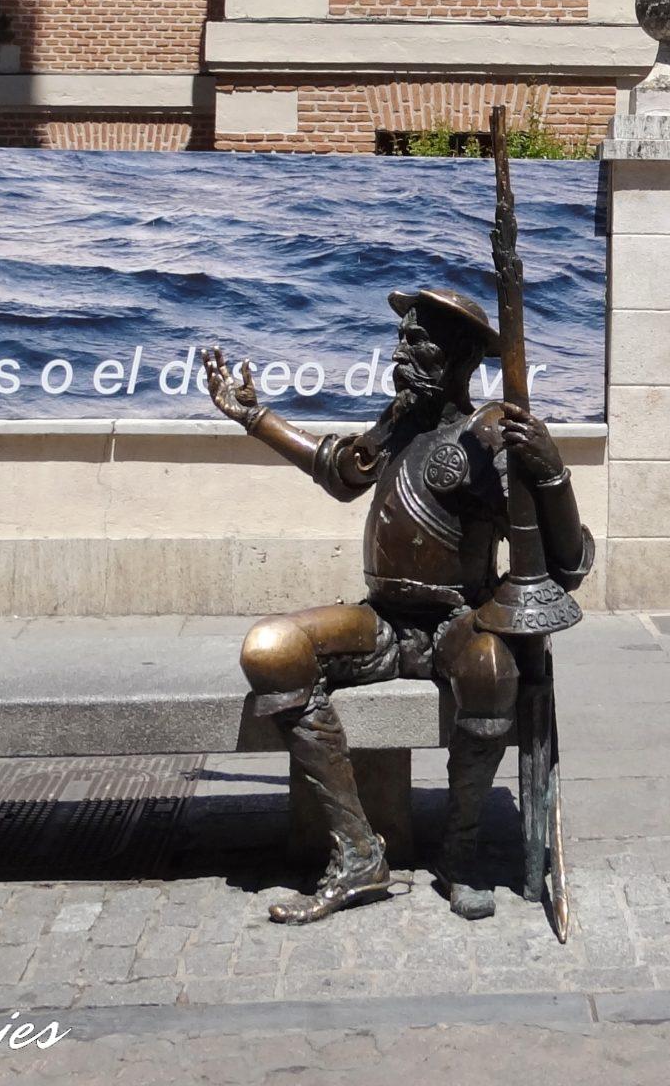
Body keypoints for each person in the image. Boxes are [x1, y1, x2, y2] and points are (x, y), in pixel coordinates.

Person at [201, 287, 587, 924]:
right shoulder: (399, 421)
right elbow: (340, 473)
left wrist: (550, 473)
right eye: (400, 339)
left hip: (458, 622)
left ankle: (459, 855)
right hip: (380, 621)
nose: (399, 352)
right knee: (272, 648)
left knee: (493, 670)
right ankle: (358, 853)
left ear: (460, 358)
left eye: (418, 341)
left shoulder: (487, 431)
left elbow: (567, 564)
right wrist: (255, 417)